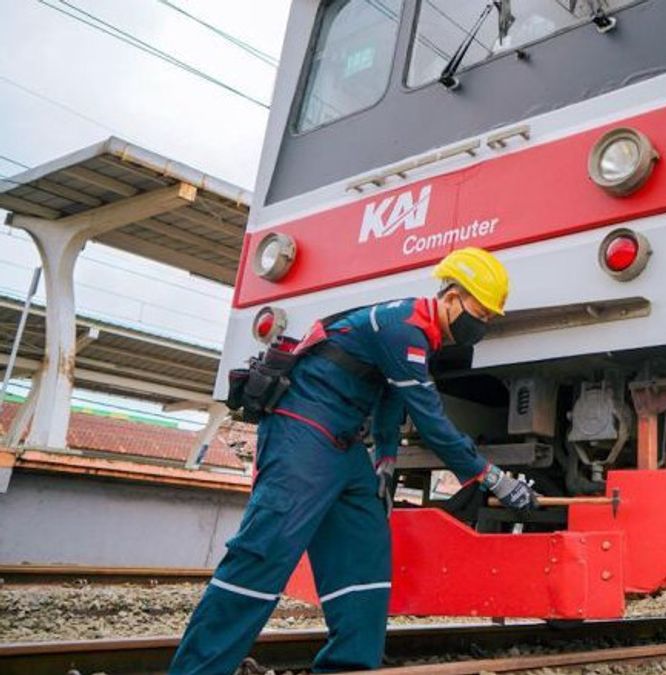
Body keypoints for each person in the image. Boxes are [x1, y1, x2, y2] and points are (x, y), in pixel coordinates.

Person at [169, 247, 536, 674]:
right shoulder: (402, 327)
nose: (483, 324)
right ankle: (199, 669)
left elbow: (388, 400)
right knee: (264, 552)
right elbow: (430, 420)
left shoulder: (415, 334)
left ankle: (348, 667)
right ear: (452, 297)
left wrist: (384, 460)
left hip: (341, 446)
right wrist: (490, 477)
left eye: (490, 318)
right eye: (481, 312)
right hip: (301, 433)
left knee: (366, 549)